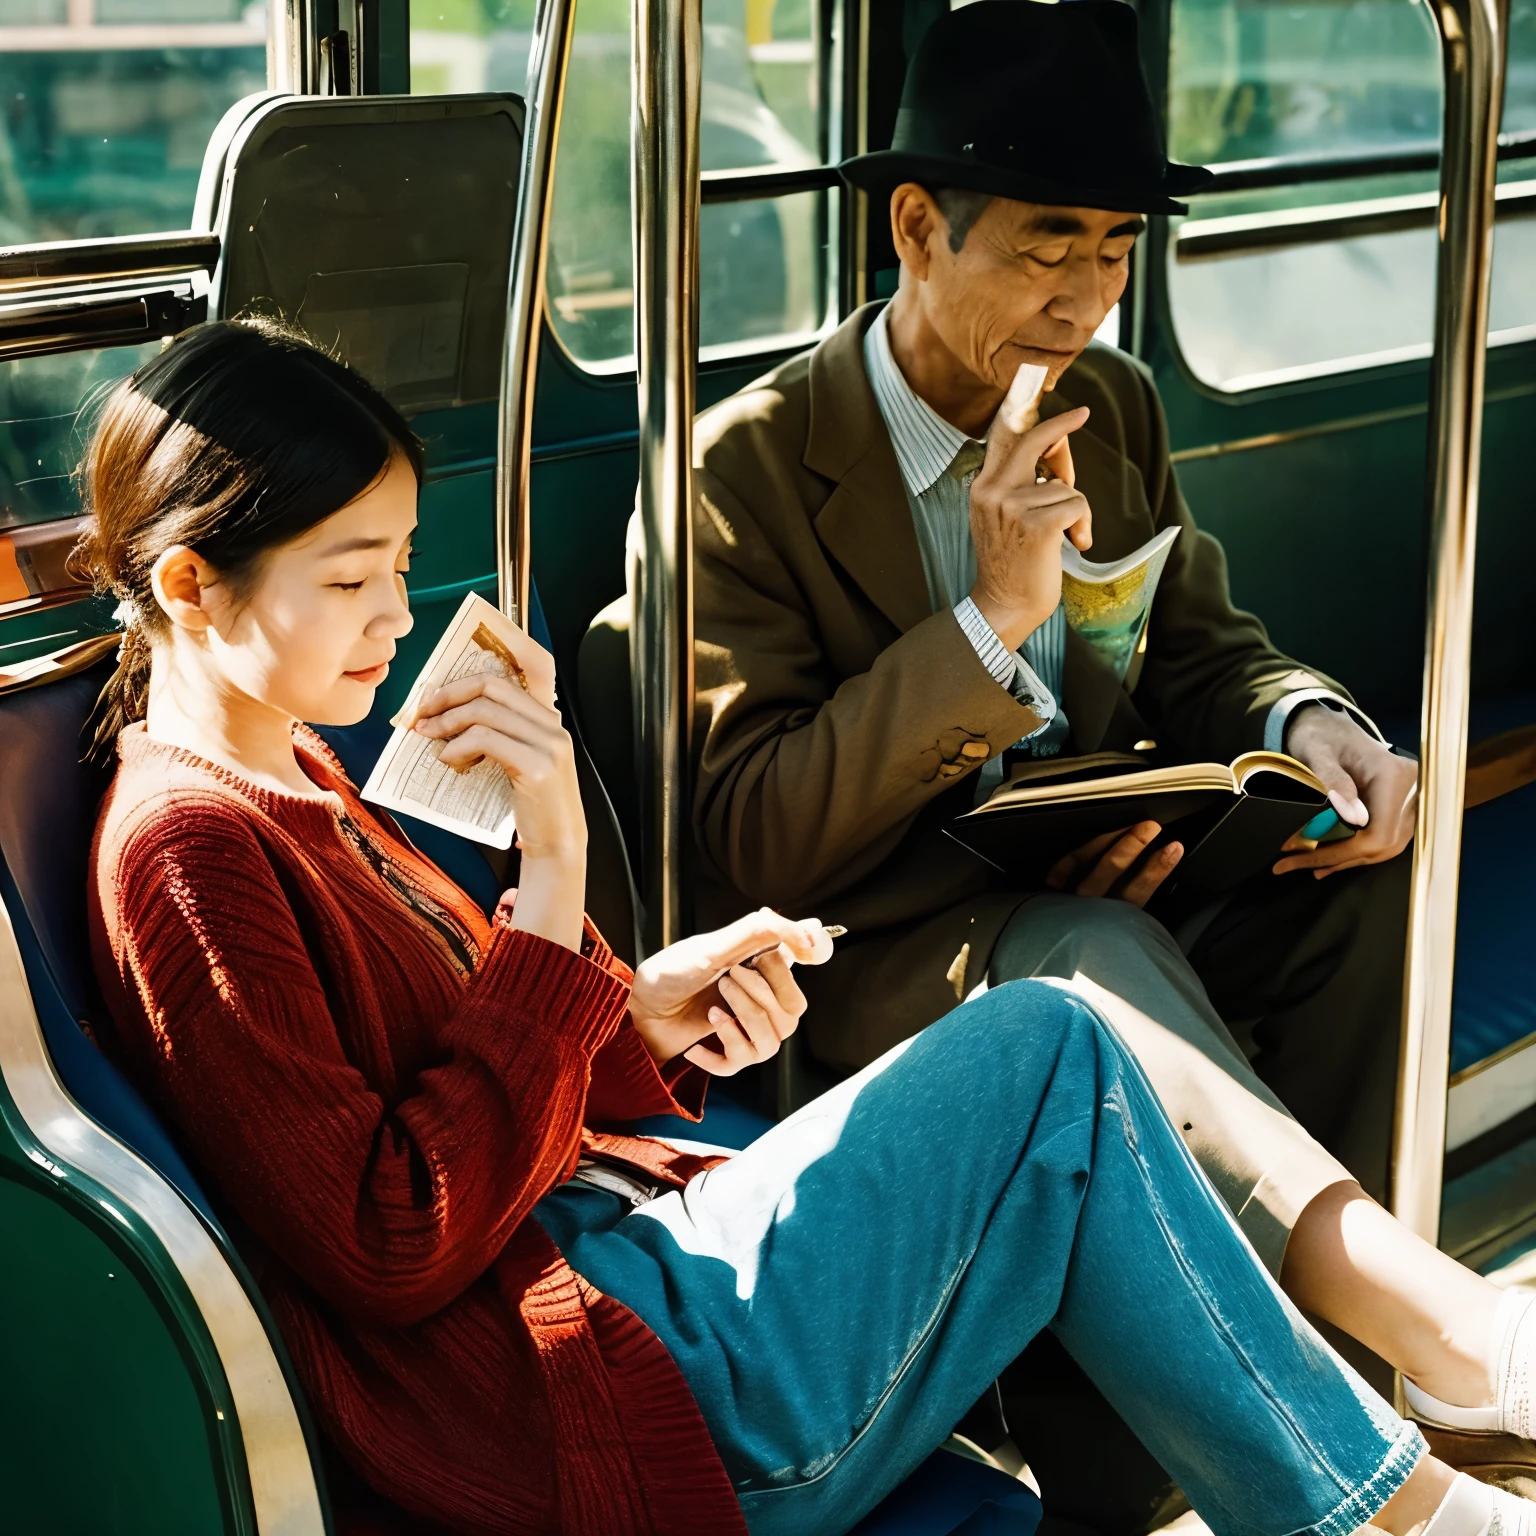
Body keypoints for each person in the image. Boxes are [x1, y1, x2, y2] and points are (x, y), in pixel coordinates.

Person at [80, 320, 1536, 1536]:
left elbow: (458, 1083)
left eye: (401, 563)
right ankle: (1388, 1506)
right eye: (349, 580)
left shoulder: (294, 769)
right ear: (195, 586)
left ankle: (1358, 1466)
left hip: (628, 1254)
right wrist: (559, 872)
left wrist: (636, 1010)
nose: (397, 616)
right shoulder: (189, 851)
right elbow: (394, 1238)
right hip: (576, 1363)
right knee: (1048, 1053)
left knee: (1066, 1095)